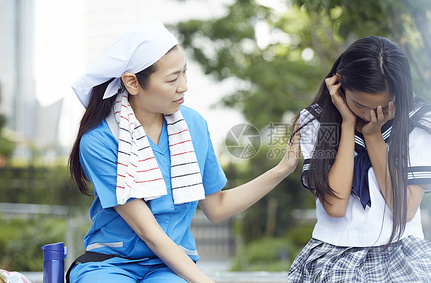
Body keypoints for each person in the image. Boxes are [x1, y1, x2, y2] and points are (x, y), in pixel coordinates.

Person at [66, 20, 300, 283]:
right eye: (172, 78)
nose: (184, 86)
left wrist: (283, 169)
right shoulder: (99, 139)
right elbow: (148, 232)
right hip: (110, 265)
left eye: (184, 73)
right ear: (132, 83)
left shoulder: (193, 125)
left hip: (170, 267)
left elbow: (217, 207)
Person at [288, 36, 431, 282]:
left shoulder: (420, 122)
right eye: (360, 105)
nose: (369, 114)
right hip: (334, 254)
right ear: (339, 84)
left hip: (403, 250)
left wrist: (373, 136)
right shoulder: (315, 121)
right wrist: (347, 123)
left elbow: (403, 211)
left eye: (381, 108)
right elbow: (335, 206)